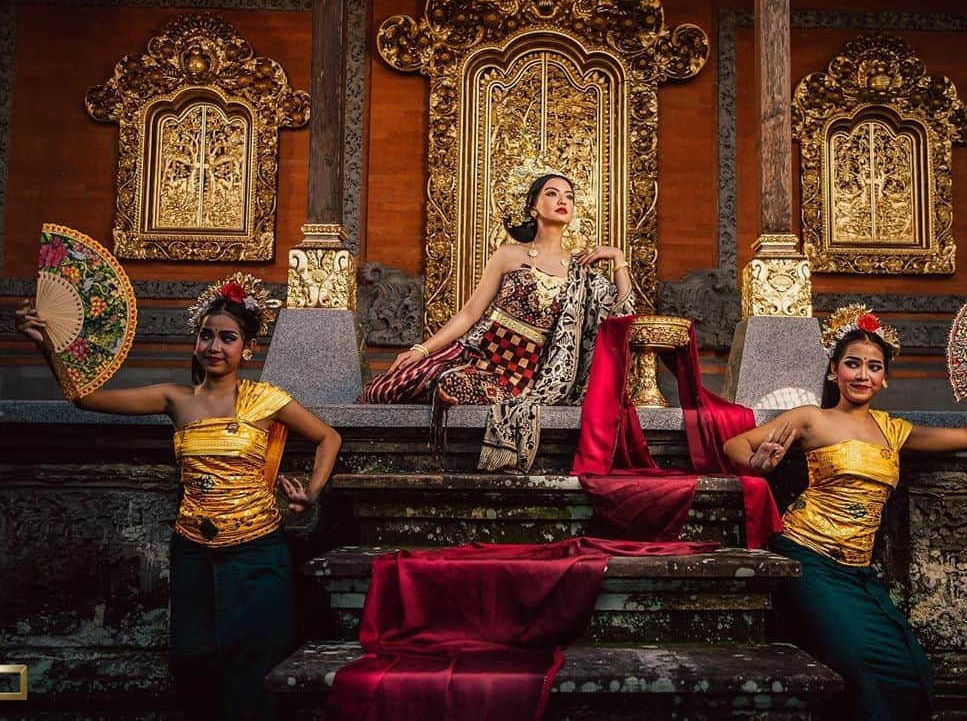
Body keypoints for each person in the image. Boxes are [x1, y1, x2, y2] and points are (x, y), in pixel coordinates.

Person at [16, 273, 342, 721]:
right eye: (206, 335)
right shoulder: (175, 399)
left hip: (256, 551)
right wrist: (47, 345)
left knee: (254, 664)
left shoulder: (267, 401)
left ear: (247, 349)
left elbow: (328, 437)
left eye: (227, 338)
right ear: (195, 343)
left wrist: (312, 492)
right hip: (193, 550)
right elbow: (85, 399)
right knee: (194, 660)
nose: (214, 346)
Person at [721, 304, 967, 721]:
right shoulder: (811, 419)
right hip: (807, 559)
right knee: (860, 665)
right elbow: (735, 445)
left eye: (873, 367)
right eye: (852, 364)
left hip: (858, 572)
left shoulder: (892, 430)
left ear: (884, 377)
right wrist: (758, 464)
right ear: (834, 370)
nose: (862, 375)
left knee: (911, 671)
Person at [361, 172, 633, 472]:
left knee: (453, 385)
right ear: (533, 206)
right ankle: (439, 383)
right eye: (552, 194)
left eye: (569, 196)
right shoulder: (508, 255)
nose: (562, 201)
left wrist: (618, 259)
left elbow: (621, 315)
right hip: (482, 355)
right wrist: (422, 350)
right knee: (391, 386)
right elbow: (469, 313)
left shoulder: (580, 270)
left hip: (526, 375)